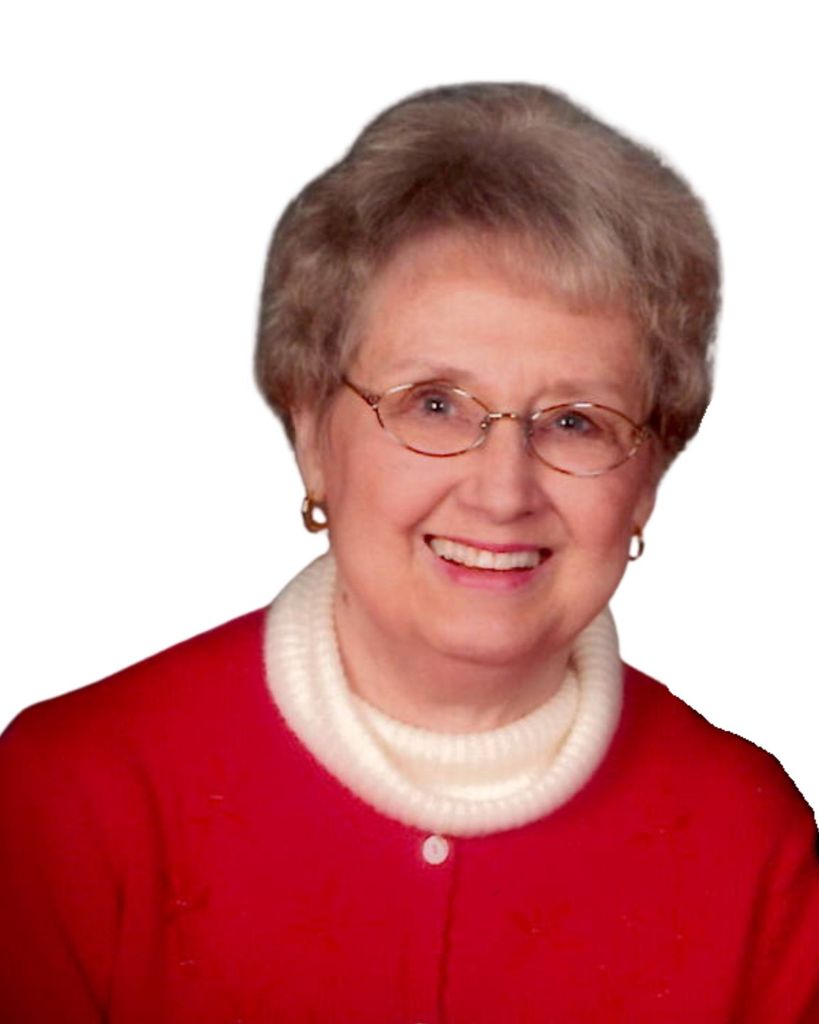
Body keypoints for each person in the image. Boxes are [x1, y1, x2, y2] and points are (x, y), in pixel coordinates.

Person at [1, 82, 817, 1023]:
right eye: (434, 404)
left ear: (647, 477)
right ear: (311, 433)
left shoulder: (749, 839)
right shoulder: (72, 798)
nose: (502, 491)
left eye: (575, 421)